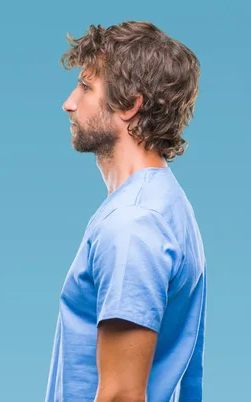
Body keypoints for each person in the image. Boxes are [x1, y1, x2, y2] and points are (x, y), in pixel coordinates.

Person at [45, 21, 207, 402]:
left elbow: (121, 395)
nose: (69, 102)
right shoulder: (164, 204)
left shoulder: (133, 223)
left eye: (86, 87)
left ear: (130, 103)